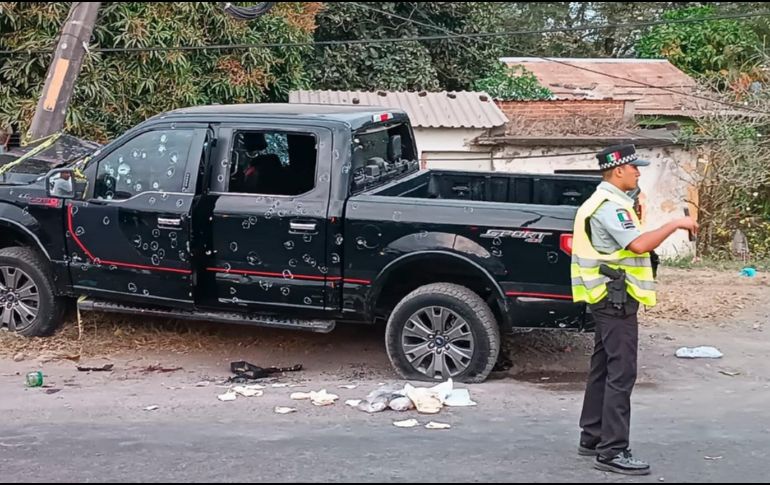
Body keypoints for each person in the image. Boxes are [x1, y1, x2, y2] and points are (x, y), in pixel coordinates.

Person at [572, 144, 698, 476]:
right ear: (618, 171)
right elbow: (638, 245)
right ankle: (612, 451)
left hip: (606, 295)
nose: (638, 172)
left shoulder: (608, 203)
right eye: (634, 168)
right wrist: (676, 224)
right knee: (622, 372)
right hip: (615, 298)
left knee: (603, 367)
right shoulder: (609, 206)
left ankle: (593, 436)